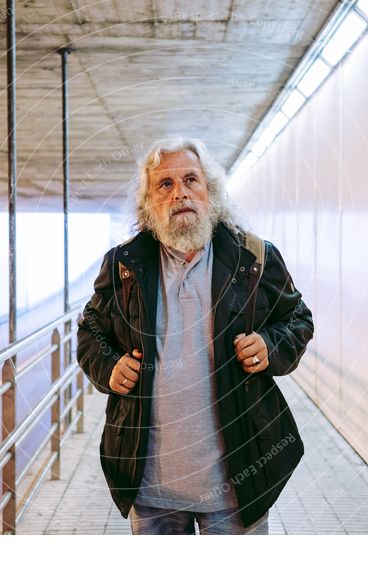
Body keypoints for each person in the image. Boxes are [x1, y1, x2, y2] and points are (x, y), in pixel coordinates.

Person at [76, 137, 314, 535]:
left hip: (237, 486)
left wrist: (270, 347)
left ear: (211, 192)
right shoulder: (123, 266)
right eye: (164, 185)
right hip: (151, 491)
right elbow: (90, 331)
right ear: (148, 203)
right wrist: (109, 366)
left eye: (191, 179)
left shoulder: (254, 258)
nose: (180, 193)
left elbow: (298, 319)